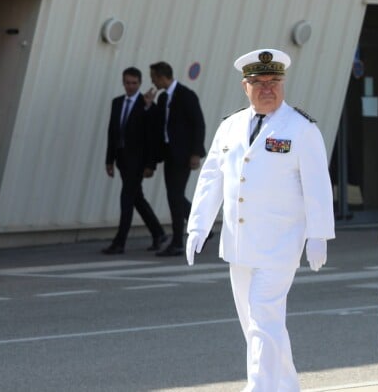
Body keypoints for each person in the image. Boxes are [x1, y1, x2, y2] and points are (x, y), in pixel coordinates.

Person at [186, 48, 335, 391]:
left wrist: (319, 234)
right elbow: (212, 177)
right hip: (240, 245)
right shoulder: (230, 126)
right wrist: (198, 226)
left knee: (263, 317)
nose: (268, 88)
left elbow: (317, 184)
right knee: (254, 323)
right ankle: (285, 386)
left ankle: (259, 388)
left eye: (275, 81)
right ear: (245, 85)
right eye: (259, 82)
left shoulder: (301, 128)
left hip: (280, 244)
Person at [103, 67, 167, 254]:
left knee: (127, 199)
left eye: (134, 83)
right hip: (121, 159)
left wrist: (150, 164)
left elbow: (152, 135)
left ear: (139, 83)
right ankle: (158, 233)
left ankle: (120, 241)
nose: (130, 86)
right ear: (123, 83)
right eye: (127, 83)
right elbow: (112, 133)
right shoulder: (117, 103)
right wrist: (109, 160)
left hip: (137, 161)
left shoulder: (146, 104)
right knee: (136, 198)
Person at [148, 61, 206, 256]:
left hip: (183, 155)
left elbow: (199, 124)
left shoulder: (186, 95)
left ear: (162, 77)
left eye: (153, 77)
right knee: (174, 196)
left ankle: (178, 241)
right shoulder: (164, 98)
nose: (152, 81)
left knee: (175, 196)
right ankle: (199, 228)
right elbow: (160, 124)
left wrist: (196, 153)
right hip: (169, 154)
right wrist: (149, 105)